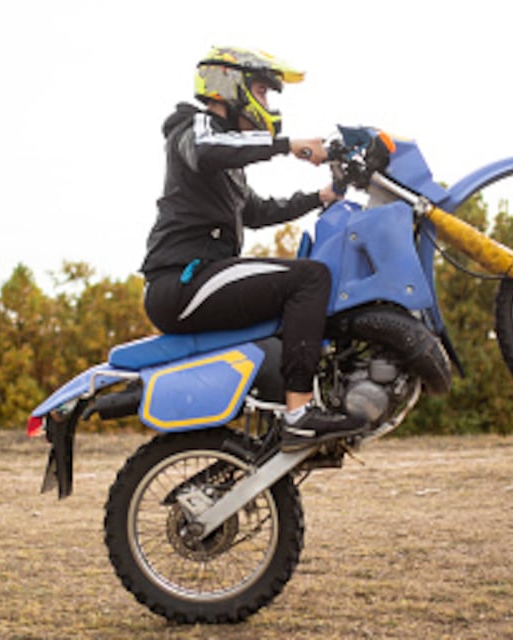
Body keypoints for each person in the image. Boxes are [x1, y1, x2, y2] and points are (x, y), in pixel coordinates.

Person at [140, 46, 366, 450]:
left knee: (296, 306)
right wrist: (287, 145)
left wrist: (322, 196)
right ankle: (299, 414)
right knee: (310, 279)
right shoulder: (191, 128)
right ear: (231, 87)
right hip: (182, 281)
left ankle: (277, 420)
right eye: (262, 91)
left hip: (198, 279)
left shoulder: (227, 161)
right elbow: (209, 149)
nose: (267, 104)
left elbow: (257, 211)